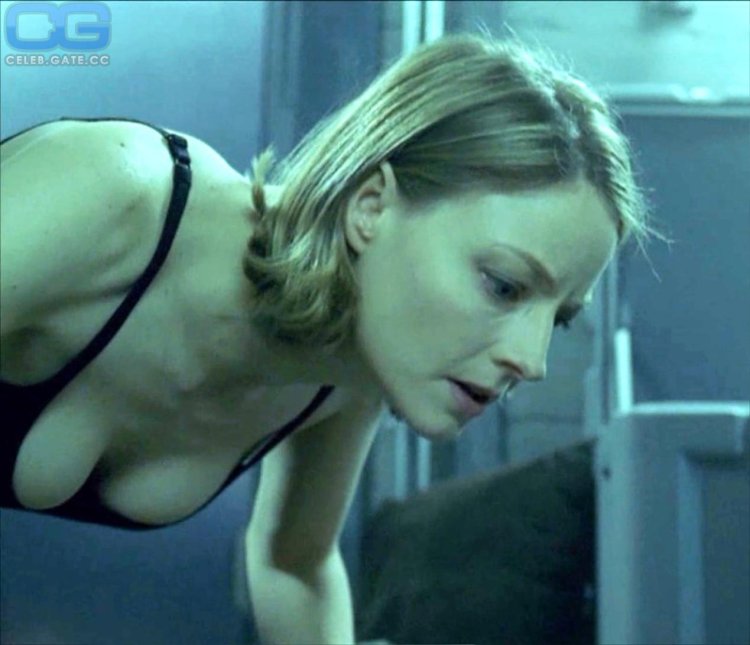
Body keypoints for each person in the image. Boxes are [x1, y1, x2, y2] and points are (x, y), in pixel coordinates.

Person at [0, 31, 661, 644]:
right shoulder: (111, 192)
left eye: (559, 317)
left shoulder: (350, 370)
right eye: (504, 285)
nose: (533, 360)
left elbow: (295, 565)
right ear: (371, 205)